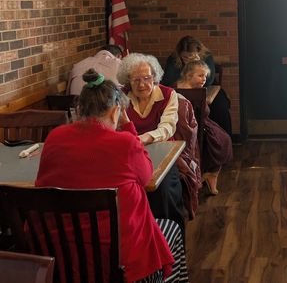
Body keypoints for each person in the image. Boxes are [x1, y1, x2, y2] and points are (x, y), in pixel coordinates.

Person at [36, 69, 187, 283]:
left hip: (61, 257)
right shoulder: (125, 143)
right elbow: (146, 178)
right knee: (172, 229)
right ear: (116, 110)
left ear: (80, 109)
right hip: (118, 261)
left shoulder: (54, 137)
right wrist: (128, 126)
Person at [118, 53, 187, 227]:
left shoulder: (168, 94)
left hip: (164, 154)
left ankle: (169, 232)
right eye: (136, 80)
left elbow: (168, 128)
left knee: (163, 190)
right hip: (130, 156)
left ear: (154, 77)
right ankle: (140, 230)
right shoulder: (121, 96)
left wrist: (142, 139)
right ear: (128, 80)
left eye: (147, 78)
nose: (142, 85)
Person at [176, 60, 233, 195]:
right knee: (223, 141)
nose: (204, 79)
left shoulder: (192, 88)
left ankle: (210, 175)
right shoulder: (187, 92)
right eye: (200, 75)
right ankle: (209, 175)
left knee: (223, 140)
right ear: (189, 75)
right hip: (194, 127)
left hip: (199, 124)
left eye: (205, 76)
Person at [161, 36, 232, 136]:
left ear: (199, 53)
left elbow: (208, 81)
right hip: (183, 91)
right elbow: (167, 81)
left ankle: (222, 139)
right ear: (179, 54)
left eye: (192, 57)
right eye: (185, 57)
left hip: (209, 89)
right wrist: (188, 69)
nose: (188, 60)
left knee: (221, 107)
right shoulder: (173, 59)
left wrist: (198, 64)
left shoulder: (206, 56)